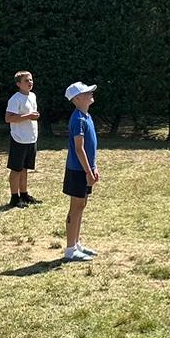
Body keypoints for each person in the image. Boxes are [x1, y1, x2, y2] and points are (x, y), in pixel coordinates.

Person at [62, 81, 100, 262]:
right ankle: (70, 249)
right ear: (77, 99)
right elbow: (79, 149)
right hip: (77, 170)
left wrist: (94, 167)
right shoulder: (78, 119)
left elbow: (90, 148)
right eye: (86, 93)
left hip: (85, 170)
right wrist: (87, 172)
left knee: (81, 205)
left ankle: (76, 244)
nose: (91, 94)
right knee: (76, 207)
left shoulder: (87, 116)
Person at [5, 70, 41, 207]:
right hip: (19, 138)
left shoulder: (32, 96)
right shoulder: (15, 99)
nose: (30, 82)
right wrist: (29, 116)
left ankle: (24, 194)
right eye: (26, 80)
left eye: (31, 79)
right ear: (18, 84)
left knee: (25, 168)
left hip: (31, 138)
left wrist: (34, 116)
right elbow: (8, 118)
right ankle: (14, 198)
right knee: (16, 169)